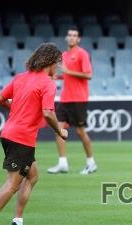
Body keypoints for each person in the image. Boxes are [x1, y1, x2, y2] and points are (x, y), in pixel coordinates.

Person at [0, 43, 68, 225]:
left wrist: (16, 110)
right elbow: (47, 113)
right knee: (12, 185)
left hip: (9, 133)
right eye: (58, 62)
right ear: (50, 61)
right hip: (21, 138)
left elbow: (0, 98)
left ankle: (17, 222)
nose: (59, 66)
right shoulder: (48, 83)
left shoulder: (21, 77)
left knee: (32, 176)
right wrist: (59, 131)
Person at [48, 27, 96, 175]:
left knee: (81, 132)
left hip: (78, 98)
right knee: (59, 130)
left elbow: (88, 75)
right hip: (65, 99)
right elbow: (67, 76)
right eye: (69, 35)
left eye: (74, 35)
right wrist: (59, 77)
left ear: (78, 39)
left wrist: (68, 72)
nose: (72, 37)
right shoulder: (64, 55)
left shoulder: (82, 54)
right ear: (66, 38)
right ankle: (63, 163)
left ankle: (91, 162)